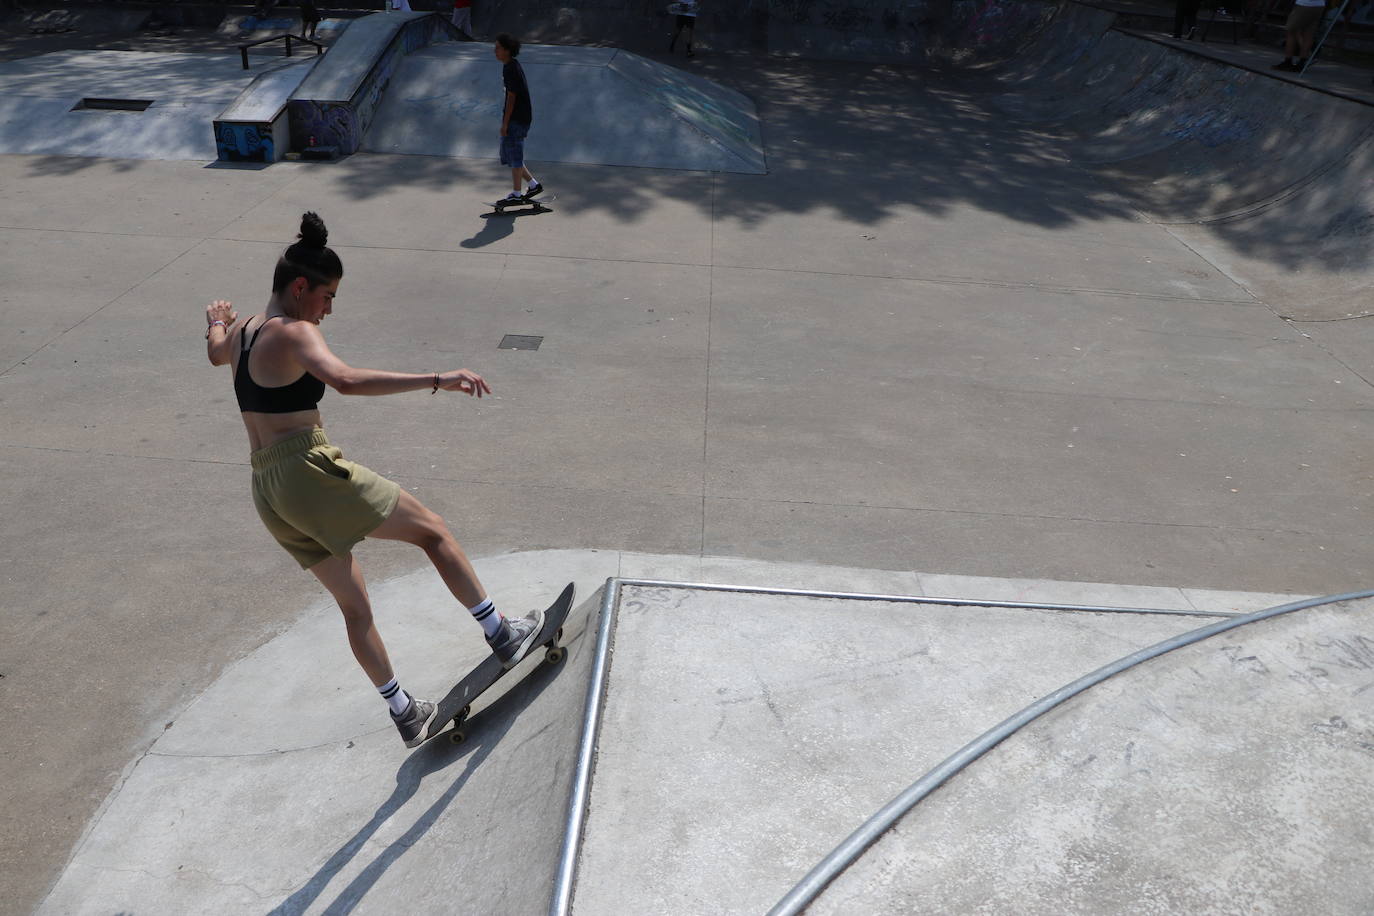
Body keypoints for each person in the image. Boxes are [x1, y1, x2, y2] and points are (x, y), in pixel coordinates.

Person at [203, 212, 544, 748]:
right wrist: (437, 379)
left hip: (268, 492)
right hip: (307, 470)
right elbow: (343, 380)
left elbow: (215, 352)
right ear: (299, 288)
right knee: (433, 532)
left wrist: (216, 320)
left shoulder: (244, 330)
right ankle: (502, 635)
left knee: (355, 606)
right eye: (327, 296)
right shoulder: (296, 333)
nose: (329, 309)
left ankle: (405, 712)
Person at [494, 34, 544, 203]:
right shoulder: (510, 66)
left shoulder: (511, 68)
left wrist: (505, 123)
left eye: (498, 48)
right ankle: (533, 185)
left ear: (507, 51)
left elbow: (512, 98)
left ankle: (516, 194)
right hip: (520, 117)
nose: (495, 51)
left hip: (517, 118)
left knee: (515, 157)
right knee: (511, 154)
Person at [1273, 0, 1326, 70]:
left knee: (1291, 31)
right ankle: (1302, 62)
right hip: (1319, 5)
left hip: (1304, 4)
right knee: (1308, 33)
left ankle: (1288, 61)